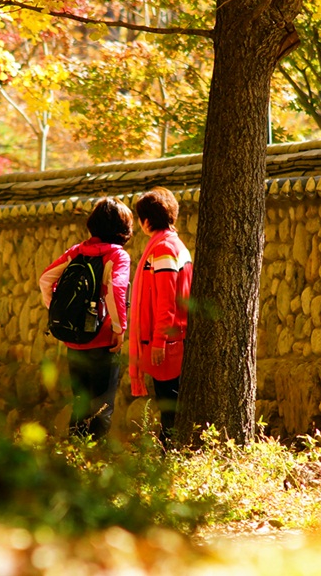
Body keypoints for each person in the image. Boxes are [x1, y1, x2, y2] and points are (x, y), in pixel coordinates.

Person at [40, 197, 133, 440]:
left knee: (80, 402)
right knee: (102, 406)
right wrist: (119, 328)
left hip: (74, 340)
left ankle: (75, 450)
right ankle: (96, 455)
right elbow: (116, 291)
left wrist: (59, 310)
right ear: (123, 229)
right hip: (103, 341)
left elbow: (45, 279)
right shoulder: (118, 256)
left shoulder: (77, 252)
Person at [129, 187, 193, 449]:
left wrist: (159, 341)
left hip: (168, 343)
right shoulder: (174, 244)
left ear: (146, 220)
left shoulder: (163, 249)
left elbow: (166, 299)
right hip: (174, 339)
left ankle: (171, 458)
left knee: (170, 409)